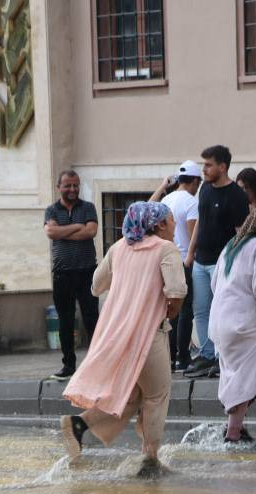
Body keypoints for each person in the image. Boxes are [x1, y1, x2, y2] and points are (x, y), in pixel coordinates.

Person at [60, 202, 187, 475]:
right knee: (156, 394)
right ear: (160, 224)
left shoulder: (118, 248)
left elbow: (95, 287)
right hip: (148, 335)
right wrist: (169, 314)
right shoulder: (166, 249)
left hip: (117, 336)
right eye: (172, 220)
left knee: (131, 396)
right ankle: (150, 459)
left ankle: (78, 425)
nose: (175, 225)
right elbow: (176, 291)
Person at [209, 204, 256, 443]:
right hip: (243, 323)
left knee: (243, 375)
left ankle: (236, 427)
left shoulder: (230, 245)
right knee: (246, 378)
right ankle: (232, 434)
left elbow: (214, 283)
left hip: (220, 322)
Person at [183, 145, 250, 379]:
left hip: (223, 264)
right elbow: (200, 221)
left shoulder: (236, 195)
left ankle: (224, 357)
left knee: (222, 312)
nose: (204, 169)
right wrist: (190, 253)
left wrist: (237, 263)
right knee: (200, 311)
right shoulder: (205, 189)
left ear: (222, 167)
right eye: (204, 164)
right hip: (201, 261)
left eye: (208, 165)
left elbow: (241, 232)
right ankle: (207, 355)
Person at [44, 169, 100, 380]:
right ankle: (68, 365)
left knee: (92, 319)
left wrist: (64, 230)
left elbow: (91, 232)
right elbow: (51, 233)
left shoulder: (88, 207)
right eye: (68, 185)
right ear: (59, 187)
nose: (72, 189)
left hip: (86, 272)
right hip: (62, 274)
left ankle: (97, 364)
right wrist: (77, 227)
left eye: (76, 185)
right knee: (65, 322)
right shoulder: (51, 210)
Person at [149, 160, 201, 372]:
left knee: (168, 310)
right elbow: (192, 236)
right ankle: (183, 357)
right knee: (185, 310)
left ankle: (169, 359)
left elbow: (145, 209)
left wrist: (162, 187)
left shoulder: (166, 199)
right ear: (196, 180)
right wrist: (191, 257)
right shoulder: (191, 202)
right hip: (182, 260)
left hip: (163, 260)